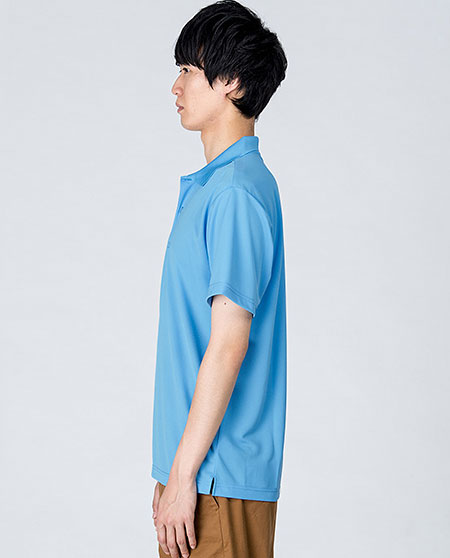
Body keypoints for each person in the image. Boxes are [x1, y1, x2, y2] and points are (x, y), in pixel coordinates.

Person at [151, 1, 288, 556]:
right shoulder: (216, 187)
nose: (176, 85)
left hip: (215, 478)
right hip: (196, 474)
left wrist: (183, 475)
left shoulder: (235, 193)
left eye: (189, 69)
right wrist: (172, 473)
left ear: (231, 82)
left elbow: (230, 341)